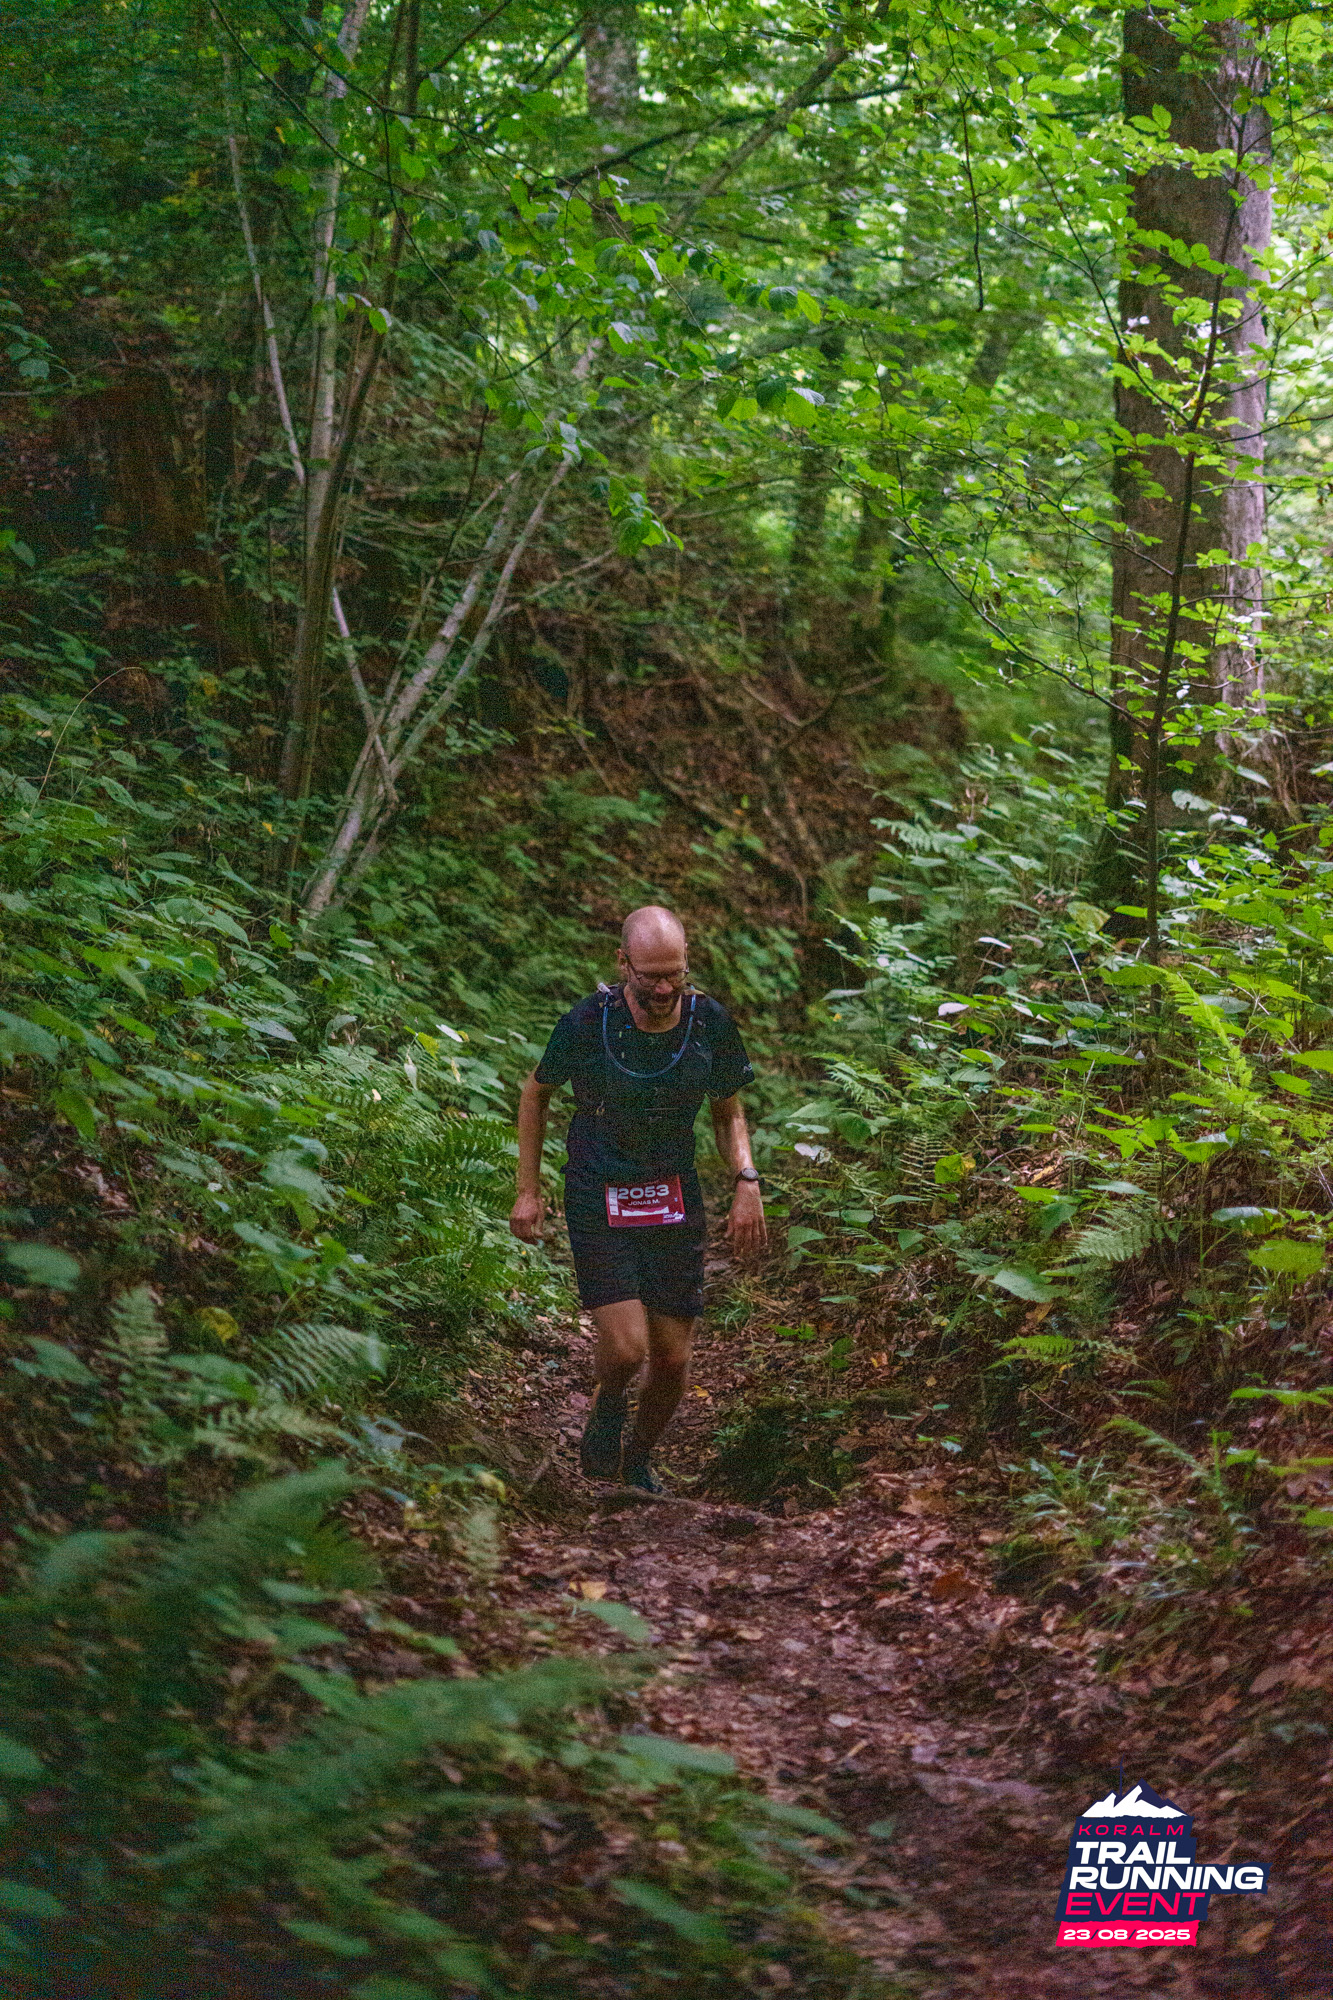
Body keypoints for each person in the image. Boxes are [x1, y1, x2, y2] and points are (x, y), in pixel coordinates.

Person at [509, 906, 766, 1491]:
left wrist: (746, 1180)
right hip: (598, 1191)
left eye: (674, 973)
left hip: (672, 1194)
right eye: (651, 976)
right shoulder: (586, 1023)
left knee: (673, 1361)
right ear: (622, 963)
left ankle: (638, 1459)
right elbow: (535, 1095)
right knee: (627, 1351)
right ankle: (608, 1402)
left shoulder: (709, 1022)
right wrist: (528, 1190)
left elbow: (728, 1114)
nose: (664, 988)